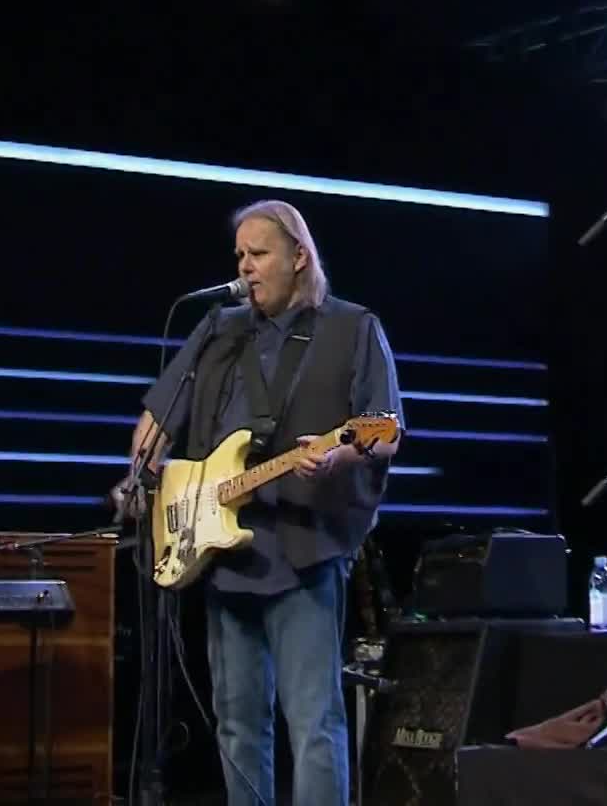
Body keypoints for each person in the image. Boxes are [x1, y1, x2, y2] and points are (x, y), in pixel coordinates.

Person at [114, 199, 404, 806]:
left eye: (259, 254)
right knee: (238, 725)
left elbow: (385, 432)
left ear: (299, 256)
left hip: (302, 551)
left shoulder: (353, 327)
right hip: (222, 556)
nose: (245, 267)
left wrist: (334, 456)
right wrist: (137, 474)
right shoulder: (218, 328)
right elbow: (158, 418)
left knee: (314, 724)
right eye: (240, 256)